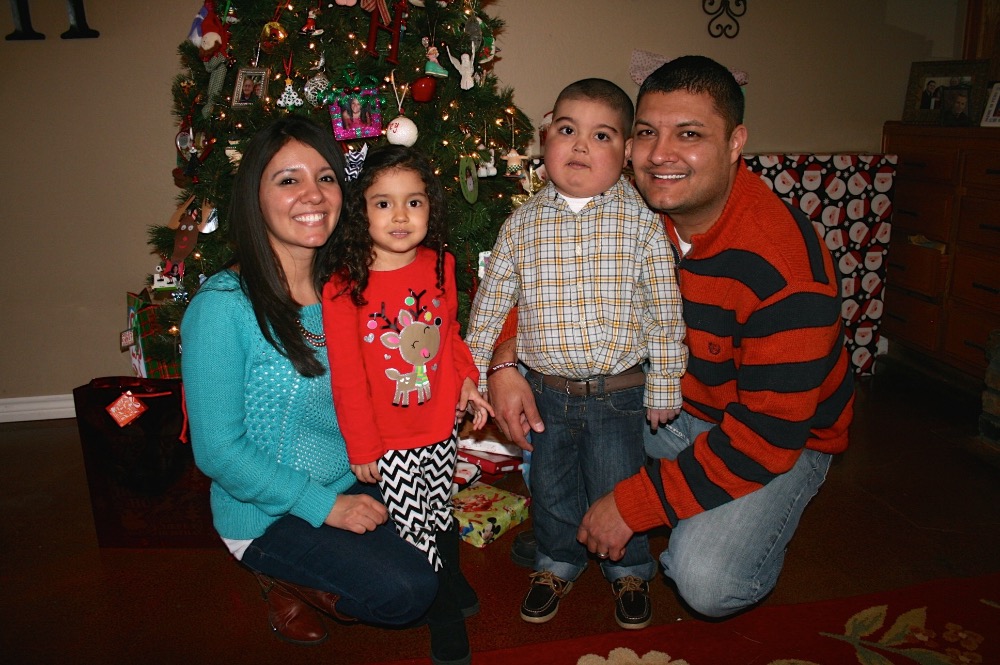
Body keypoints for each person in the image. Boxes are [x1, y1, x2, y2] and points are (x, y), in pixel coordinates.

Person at [489, 55, 854, 620]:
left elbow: (767, 434)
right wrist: (504, 362)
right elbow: (539, 275)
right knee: (555, 417)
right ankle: (574, 525)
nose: (661, 155)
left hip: (778, 436)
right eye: (647, 134)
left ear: (736, 143)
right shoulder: (630, 204)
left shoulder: (785, 270)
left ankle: (673, 514)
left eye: (689, 135)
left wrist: (636, 506)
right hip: (663, 400)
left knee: (706, 581)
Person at [181, 116, 439, 650]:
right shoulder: (222, 309)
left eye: (325, 177)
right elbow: (218, 452)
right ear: (255, 196)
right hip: (267, 510)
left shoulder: (347, 289)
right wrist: (326, 507)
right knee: (407, 591)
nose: (312, 195)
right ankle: (280, 575)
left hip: (355, 474)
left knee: (440, 539)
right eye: (287, 179)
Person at [465, 78, 687, 631]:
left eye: (601, 134)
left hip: (619, 392)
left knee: (618, 481)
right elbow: (492, 303)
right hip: (546, 392)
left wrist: (664, 384)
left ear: (628, 152)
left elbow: (664, 306)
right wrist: (473, 373)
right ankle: (557, 560)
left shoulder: (639, 223)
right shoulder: (522, 224)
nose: (581, 145)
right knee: (551, 486)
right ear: (546, 138)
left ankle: (630, 569)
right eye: (567, 130)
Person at [322, 145, 494, 665]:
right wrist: (363, 444)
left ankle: (455, 583)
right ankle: (442, 610)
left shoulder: (440, 264)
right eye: (383, 204)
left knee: (439, 512)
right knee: (415, 531)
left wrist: (465, 380)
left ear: (430, 208)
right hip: (388, 440)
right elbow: (348, 378)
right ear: (361, 211)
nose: (400, 216)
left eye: (413, 202)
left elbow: (450, 335)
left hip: (440, 425)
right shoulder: (343, 286)